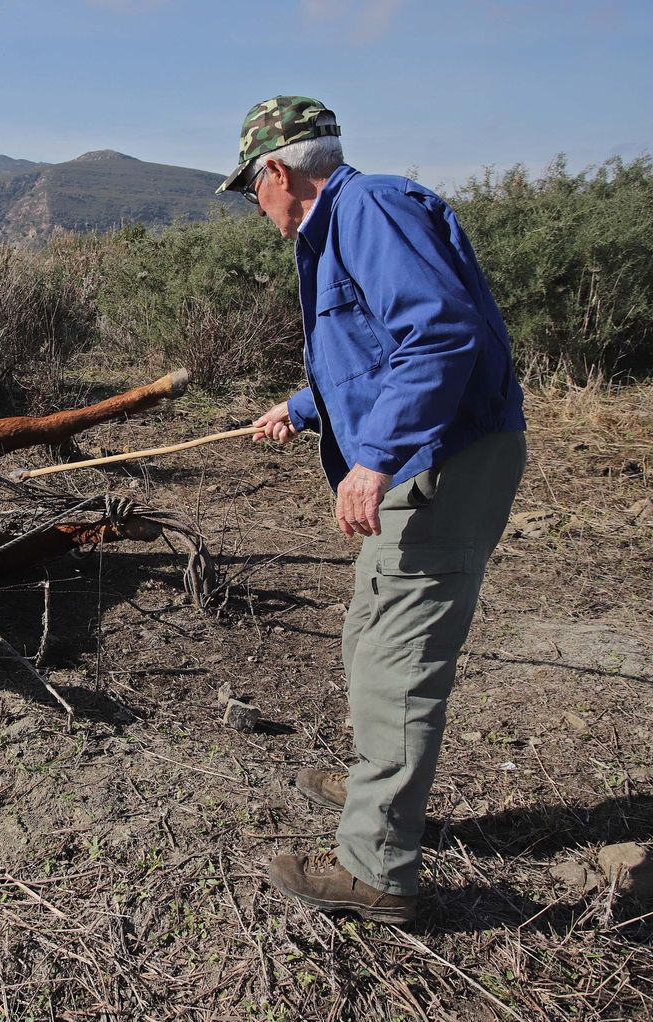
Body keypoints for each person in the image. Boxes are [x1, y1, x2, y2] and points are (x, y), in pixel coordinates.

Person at [218, 96, 527, 923]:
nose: (256, 206)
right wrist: (301, 406)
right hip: (424, 458)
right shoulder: (344, 222)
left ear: (278, 171)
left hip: (441, 463)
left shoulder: (369, 208)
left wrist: (375, 456)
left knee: (397, 662)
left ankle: (377, 869)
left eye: (251, 189)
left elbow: (436, 335)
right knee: (368, 632)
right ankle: (376, 785)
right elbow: (374, 349)